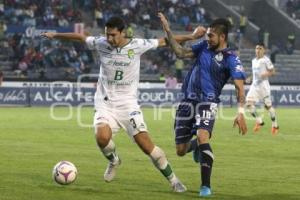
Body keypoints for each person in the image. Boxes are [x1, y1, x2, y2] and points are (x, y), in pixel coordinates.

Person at [41, 16, 205, 192]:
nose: (109, 39)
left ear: (122, 32)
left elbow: (165, 41)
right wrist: (55, 35)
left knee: (147, 146)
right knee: (102, 137)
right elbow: (81, 37)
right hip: (105, 103)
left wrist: (192, 36)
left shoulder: (137, 45)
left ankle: (174, 181)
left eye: (113, 35)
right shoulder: (101, 43)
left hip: (128, 105)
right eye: (107, 35)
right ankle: (114, 161)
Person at [158, 13, 248, 197]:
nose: (207, 38)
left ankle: (205, 186)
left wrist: (240, 113)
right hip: (187, 102)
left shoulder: (231, 58)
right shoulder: (203, 47)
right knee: (180, 150)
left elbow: (240, 87)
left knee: (203, 135)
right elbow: (181, 53)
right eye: (207, 35)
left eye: (211, 35)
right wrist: (168, 30)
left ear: (222, 37)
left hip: (208, 102)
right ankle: (196, 146)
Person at [245, 42, 279, 135]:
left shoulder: (266, 60)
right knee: (248, 103)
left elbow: (273, 71)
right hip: (255, 86)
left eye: (260, 48)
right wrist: (250, 78)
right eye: (256, 48)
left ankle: (275, 125)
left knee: (268, 107)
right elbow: (255, 72)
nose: (258, 50)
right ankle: (259, 121)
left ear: (264, 50)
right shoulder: (254, 61)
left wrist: (266, 74)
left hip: (264, 87)